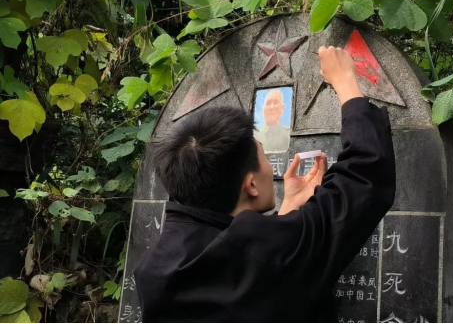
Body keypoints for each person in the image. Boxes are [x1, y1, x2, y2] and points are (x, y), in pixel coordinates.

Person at [134, 47, 396, 323]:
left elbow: (257, 268)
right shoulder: (264, 250)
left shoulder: (152, 268)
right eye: (264, 158)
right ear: (251, 186)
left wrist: (288, 213)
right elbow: (364, 176)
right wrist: (345, 81)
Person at [254, 89, 291, 153]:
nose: (271, 107)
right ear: (263, 109)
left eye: (276, 103)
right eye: (268, 103)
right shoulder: (255, 135)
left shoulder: (288, 134)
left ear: (282, 108)